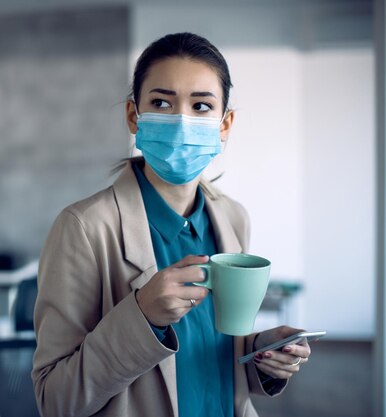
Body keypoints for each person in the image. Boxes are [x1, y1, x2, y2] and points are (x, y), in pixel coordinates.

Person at [32, 32, 312, 417]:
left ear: (225, 124)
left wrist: (263, 355)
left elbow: (215, 356)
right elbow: (56, 401)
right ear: (134, 115)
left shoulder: (233, 217)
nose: (181, 121)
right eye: (161, 103)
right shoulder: (83, 228)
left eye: (201, 106)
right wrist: (141, 316)